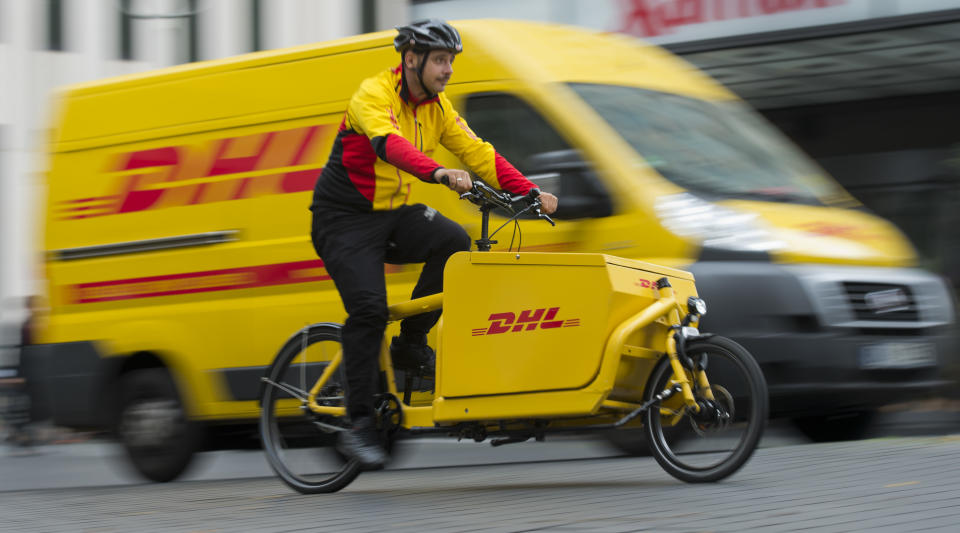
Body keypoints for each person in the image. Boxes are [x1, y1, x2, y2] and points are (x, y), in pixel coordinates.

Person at [309, 19, 558, 469]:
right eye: (440, 60)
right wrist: (438, 172)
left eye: (450, 62)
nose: (447, 70)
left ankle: (410, 343)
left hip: (388, 217)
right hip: (342, 221)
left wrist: (529, 191)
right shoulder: (373, 93)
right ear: (411, 60)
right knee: (368, 309)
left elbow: (478, 152)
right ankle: (359, 423)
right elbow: (389, 145)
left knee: (453, 241)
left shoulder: (437, 108)